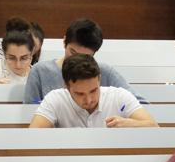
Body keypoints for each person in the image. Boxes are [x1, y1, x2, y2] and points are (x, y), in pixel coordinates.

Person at [22, 18, 140, 104]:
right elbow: (28, 111)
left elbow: (139, 103)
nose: (76, 60)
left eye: (85, 57)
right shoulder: (40, 71)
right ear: (64, 42)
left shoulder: (105, 72)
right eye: (73, 52)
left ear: (94, 54)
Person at [28, 54, 157, 128]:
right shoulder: (55, 99)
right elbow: (33, 136)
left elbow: (154, 127)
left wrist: (129, 124)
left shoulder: (120, 97)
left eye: (94, 90)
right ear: (66, 87)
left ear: (99, 79)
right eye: (80, 94)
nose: (89, 99)